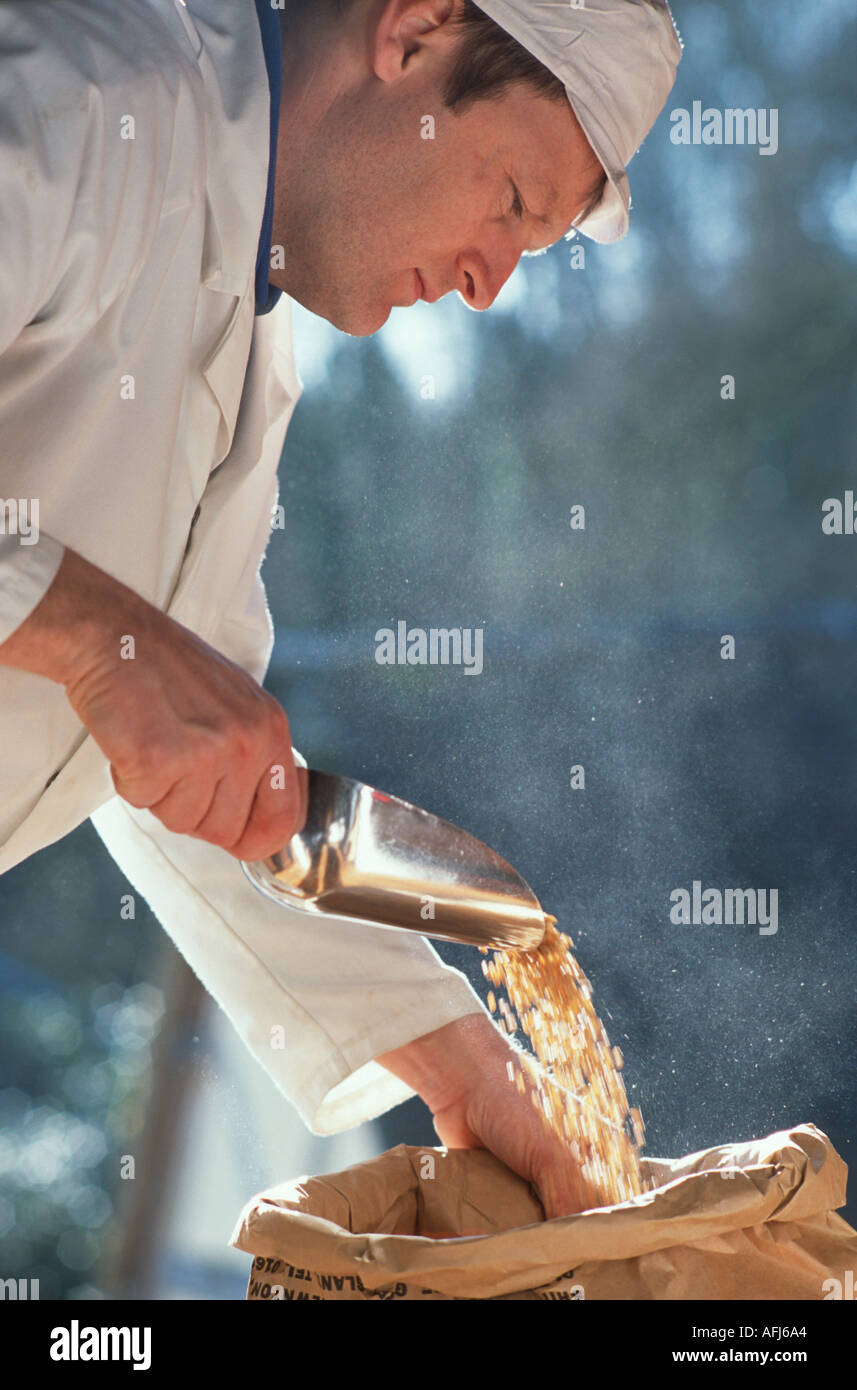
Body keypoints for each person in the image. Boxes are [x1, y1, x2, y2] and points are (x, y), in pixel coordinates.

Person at [0, 0, 681, 1220]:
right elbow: (125, 669)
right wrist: (100, 637)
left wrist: (470, 1070)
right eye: (512, 203)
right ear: (412, 32)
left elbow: (199, 794)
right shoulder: (77, 89)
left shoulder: (251, 358)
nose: (487, 287)